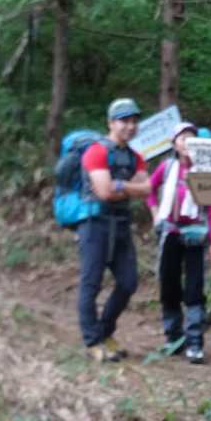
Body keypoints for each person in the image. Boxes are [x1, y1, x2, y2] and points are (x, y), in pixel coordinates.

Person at [77, 98, 150, 363]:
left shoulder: (135, 156)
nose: (130, 126)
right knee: (91, 283)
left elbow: (147, 188)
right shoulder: (96, 152)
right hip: (94, 224)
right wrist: (126, 188)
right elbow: (105, 192)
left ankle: (105, 331)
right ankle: (92, 341)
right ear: (111, 123)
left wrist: (120, 186)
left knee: (128, 282)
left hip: (120, 224)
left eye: (134, 121)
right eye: (124, 121)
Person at [148, 122, 211, 363]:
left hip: (196, 236)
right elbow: (149, 190)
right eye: (182, 138)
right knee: (168, 284)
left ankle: (195, 342)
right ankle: (173, 337)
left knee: (194, 288)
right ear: (174, 144)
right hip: (169, 232)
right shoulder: (167, 167)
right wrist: (155, 213)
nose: (187, 142)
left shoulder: (205, 172)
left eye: (191, 137)